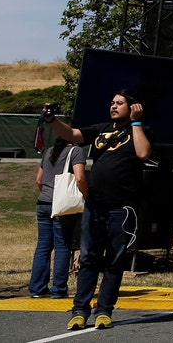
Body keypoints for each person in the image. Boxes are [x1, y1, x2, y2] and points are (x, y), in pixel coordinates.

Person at [43, 91, 153, 330]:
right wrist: (52, 120)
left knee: (114, 261)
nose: (113, 106)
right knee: (89, 259)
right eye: (112, 102)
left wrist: (136, 122)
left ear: (133, 107)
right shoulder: (101, 128)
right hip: (95, 205)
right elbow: (71, 134)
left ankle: (104, 311)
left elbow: (143, 153)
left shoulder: (140, 130)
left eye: (119, 103)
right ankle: (79, 310)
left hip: (122, 208)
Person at [28, 136, 87, 299]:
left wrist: (47, 194)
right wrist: (87, 196)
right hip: (62, 206)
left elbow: (38, 180)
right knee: (62, 246)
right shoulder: (76, 152)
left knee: (43, 246)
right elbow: (80, 178)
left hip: (43, 203)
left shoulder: (48, 152)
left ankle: (37, 288)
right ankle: (58, 288)